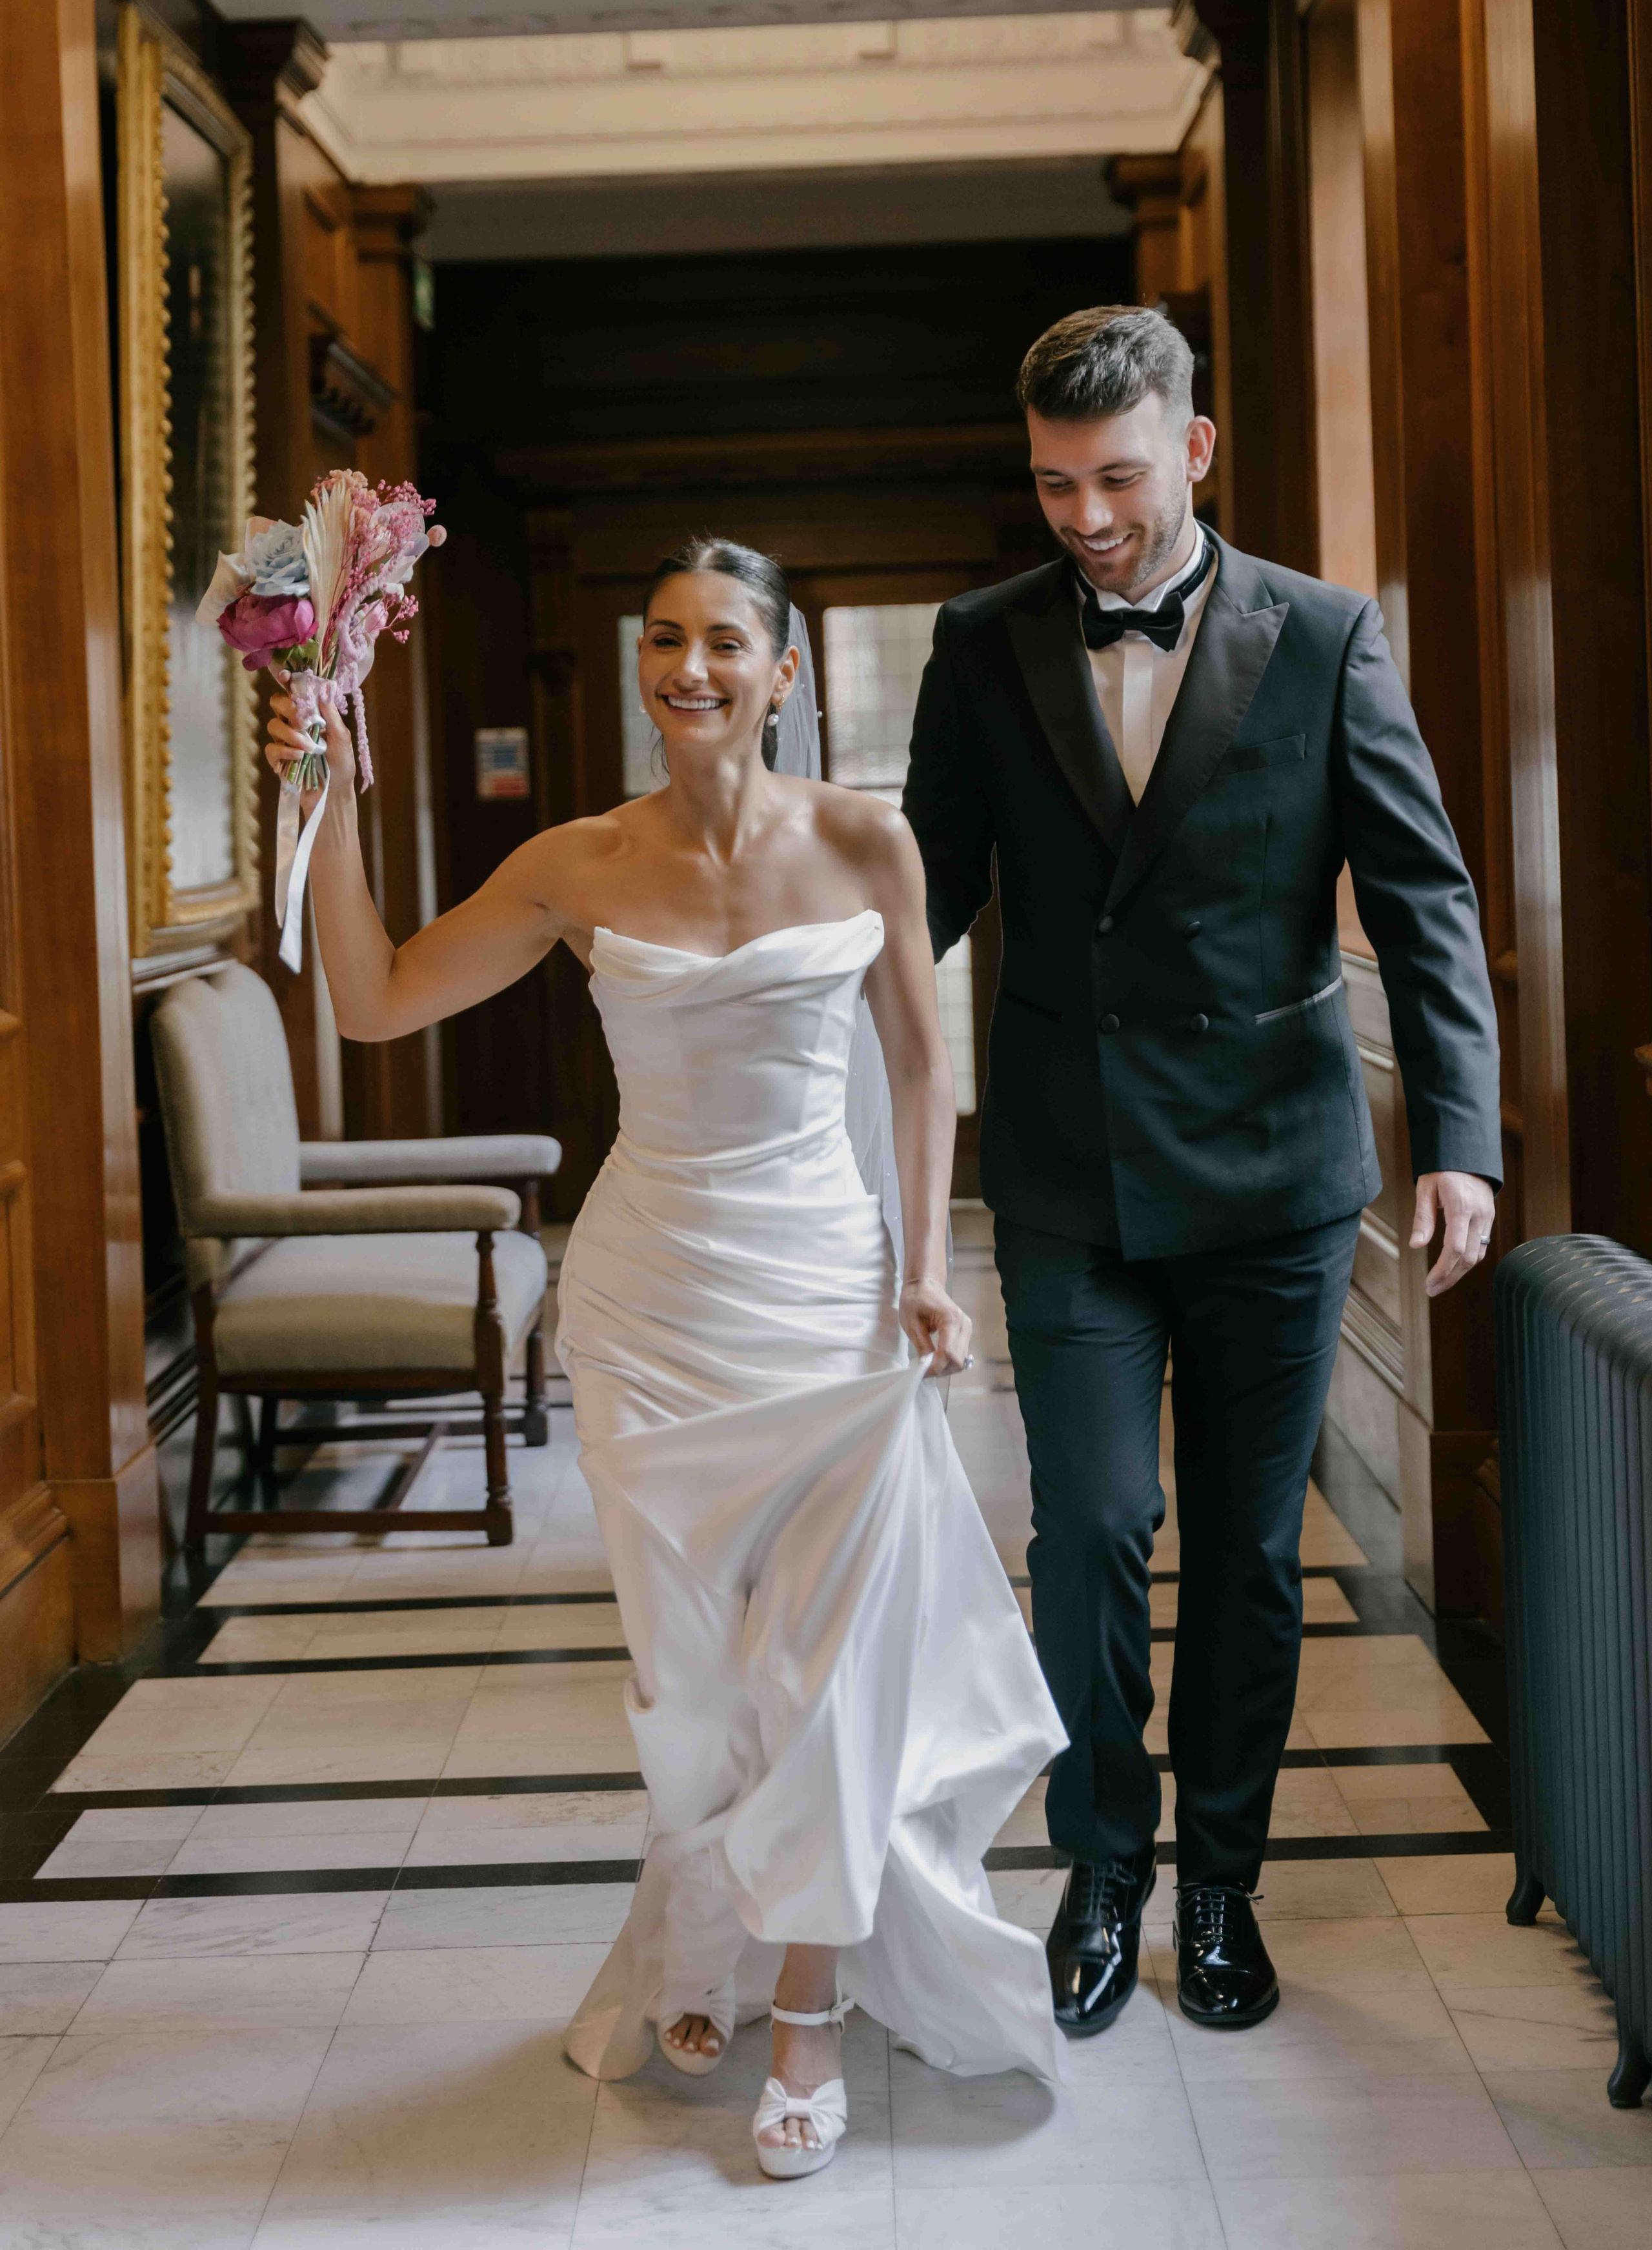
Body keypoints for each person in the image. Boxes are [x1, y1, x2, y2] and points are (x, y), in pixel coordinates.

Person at [265, 534, 1065, 2184]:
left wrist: (925, 1270)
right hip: (648, 1311)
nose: (685, 668)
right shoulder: (577, 862)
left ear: (783, 673)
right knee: (689, 1677)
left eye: (720, 641)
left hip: (828, 1301)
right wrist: (326, 796)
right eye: (660, 639)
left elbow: (923, 1068)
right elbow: (371, 999)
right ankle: (696, 1928)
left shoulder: (866, 840)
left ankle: (807, 2010)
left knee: (825, 1676)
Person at [902, 306, 1502, 2042]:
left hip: (1273, 1174)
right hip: (1067, 1173)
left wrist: (1458, 1139)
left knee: (1244, 1552)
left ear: (1195, 449)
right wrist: (776, 1006)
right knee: (1091, 1524)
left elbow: (1422, 895)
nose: (1087, 519)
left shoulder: (1322, 634)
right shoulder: (980, 643)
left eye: (1117, 480)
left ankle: (1223, 1880)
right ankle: (1103, 1864)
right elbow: (922, 890)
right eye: (1053, 486)